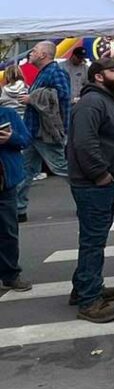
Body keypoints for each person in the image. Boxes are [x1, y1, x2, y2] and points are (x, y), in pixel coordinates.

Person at [67, 58, 114, 323]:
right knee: (93, 241)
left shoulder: (111, 99)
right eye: (113, 71)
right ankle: (89, 301)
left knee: (96, 239)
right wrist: (100, 174)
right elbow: (84, 142)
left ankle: (85, 285)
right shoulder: (91, 102)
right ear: (98, 76)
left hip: (111, 180)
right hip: (94, 184)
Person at [16, 41, 71, 223]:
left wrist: (32, 98)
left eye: (35, 50)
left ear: (43, 55)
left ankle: (90, 197)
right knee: (25, 171)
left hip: (46, 132)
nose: (31, 53)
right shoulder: (45, 72)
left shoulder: (56, 72)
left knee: (61, 168)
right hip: (33, 131)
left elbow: (62, 97)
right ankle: (18, 210)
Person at [0, 101, 32, 291]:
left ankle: (11, 274)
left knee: (8, 231)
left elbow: (25, 140)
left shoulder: (7, 114)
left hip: (5, 182)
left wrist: (11, 138)